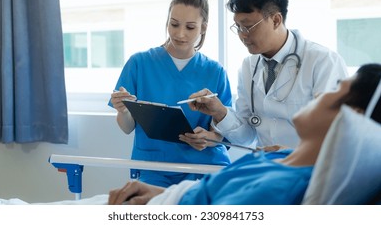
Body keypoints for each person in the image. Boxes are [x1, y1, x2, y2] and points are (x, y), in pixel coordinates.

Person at [108, 63, 381, 205]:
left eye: (336, 88)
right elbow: (211, 194)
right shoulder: (280, 157)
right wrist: (160, 194)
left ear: (353, 115)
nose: (320, 93)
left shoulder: (283, 185)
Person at [180, 0, 348, 150]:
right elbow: (246, 137)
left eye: (247, 27)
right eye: (237, 27)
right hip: (266, 167)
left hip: (309, 170)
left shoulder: (323, 62)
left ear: (276, 20)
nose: (242, 35)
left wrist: (290, 153)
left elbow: (336, 134)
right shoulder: (248, 66)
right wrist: (219, 112)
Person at [109, 0, 232, 187]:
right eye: (174, 24)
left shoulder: (215, 71)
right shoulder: (139, 64)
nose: (180, 34)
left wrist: (207, 138)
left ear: (203, 27)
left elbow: (222, 133)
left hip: (204, 167)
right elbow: (127, 127)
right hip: (154, 168)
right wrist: (122, 110)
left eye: (190, 27)